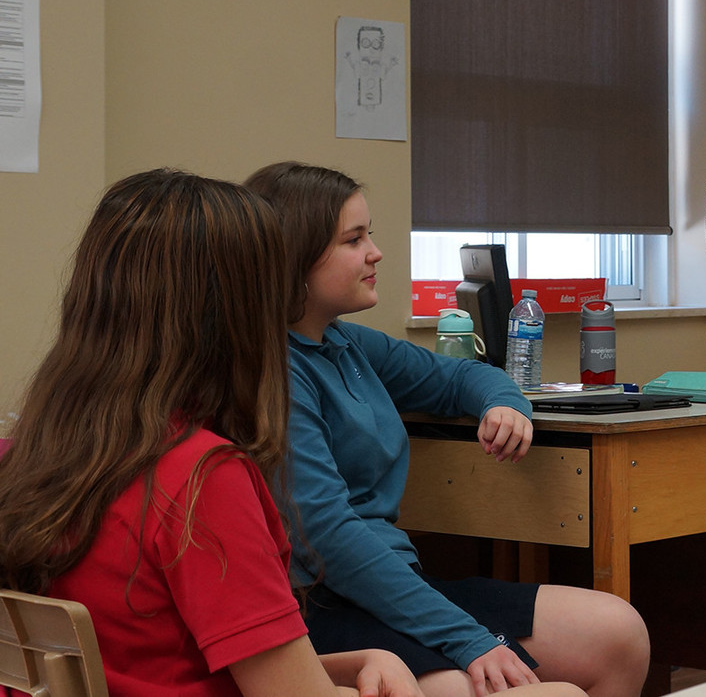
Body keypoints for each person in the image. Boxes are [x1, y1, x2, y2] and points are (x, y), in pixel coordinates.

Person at [0, 169, 425, 697]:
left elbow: (160, 667)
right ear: (236, 314)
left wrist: (360, 661)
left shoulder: (25, 461)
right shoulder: (202, 480)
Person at [245, 162, 648, 697]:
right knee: (486, 686)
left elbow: (463, 375)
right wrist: (469, 639)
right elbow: (328, 541)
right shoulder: (276, 371)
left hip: (402, 583)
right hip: (328, 603)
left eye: (371, 234)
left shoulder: (346, 343)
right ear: (293, 258)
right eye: (353, 239)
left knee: (619, 634)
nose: (375, 252)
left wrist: (508, 406)